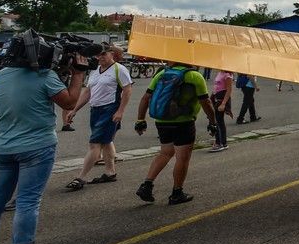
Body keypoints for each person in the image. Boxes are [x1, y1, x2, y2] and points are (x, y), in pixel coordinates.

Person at [0, 37, 89, 244]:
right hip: (37, 146)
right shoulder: (45, 77)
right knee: (27, 201)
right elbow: (69, 102)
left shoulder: (1, 77)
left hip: (4, 147)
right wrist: (78, 74)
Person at [134, 62, 218, 205]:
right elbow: (206, 102)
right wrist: (213, 121)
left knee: (165, 152)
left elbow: (146, 98)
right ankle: (177, 193)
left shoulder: (161, 73)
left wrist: (140, 120)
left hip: (161, 120)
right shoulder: (195, 76)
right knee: (182, 158)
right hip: (183, 122)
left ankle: (147, 185)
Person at [65, 46, 133, 188]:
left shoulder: (119, 69)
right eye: (98, 55)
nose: (100, 57)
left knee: (95, 143)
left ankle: (81, 177)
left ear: (111, 54)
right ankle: (110, 172)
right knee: (106, 142)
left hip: (110, 109)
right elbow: (88, 91)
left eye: (104, 54)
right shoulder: (95, 71)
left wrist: (120, 111)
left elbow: (127, 90)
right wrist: (75, 109)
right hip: (95, 109)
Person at [208, 69, 234, 152]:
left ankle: (220, 143)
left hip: (221, 100)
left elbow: (229, 90)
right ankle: (221, 142)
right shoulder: (220, 72)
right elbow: (217, 86)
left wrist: (223, 104)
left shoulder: (227, 75)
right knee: (218, 121)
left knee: (219, 121)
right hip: (216, 98)